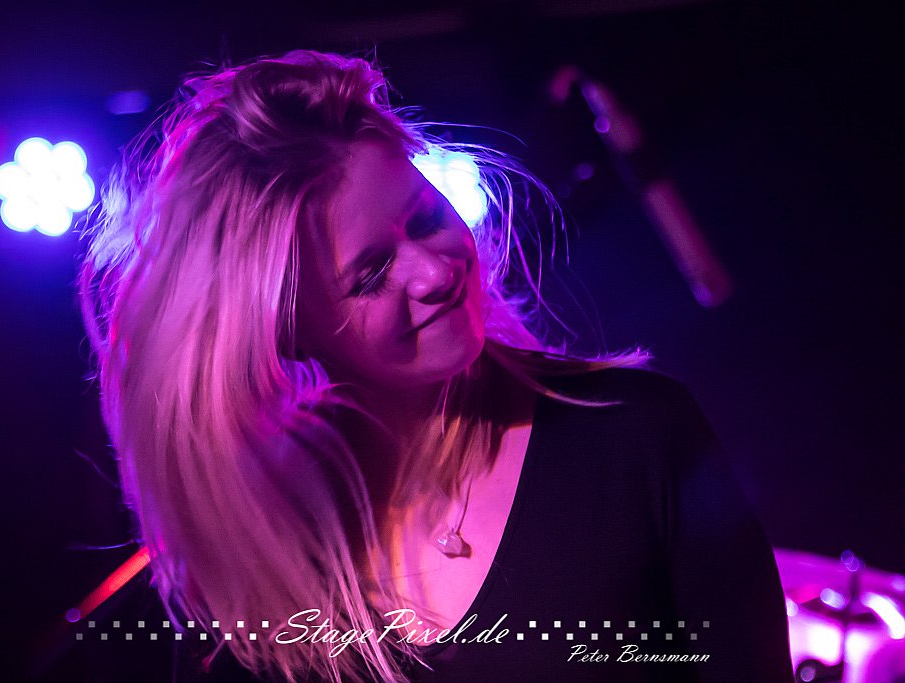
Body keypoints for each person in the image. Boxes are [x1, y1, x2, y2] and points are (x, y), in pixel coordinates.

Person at [78, 50, 793, 682]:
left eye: (424, 218)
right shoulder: (266, 555)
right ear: (286, 331)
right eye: (370, 274)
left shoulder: (636, 434)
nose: (434, 271)